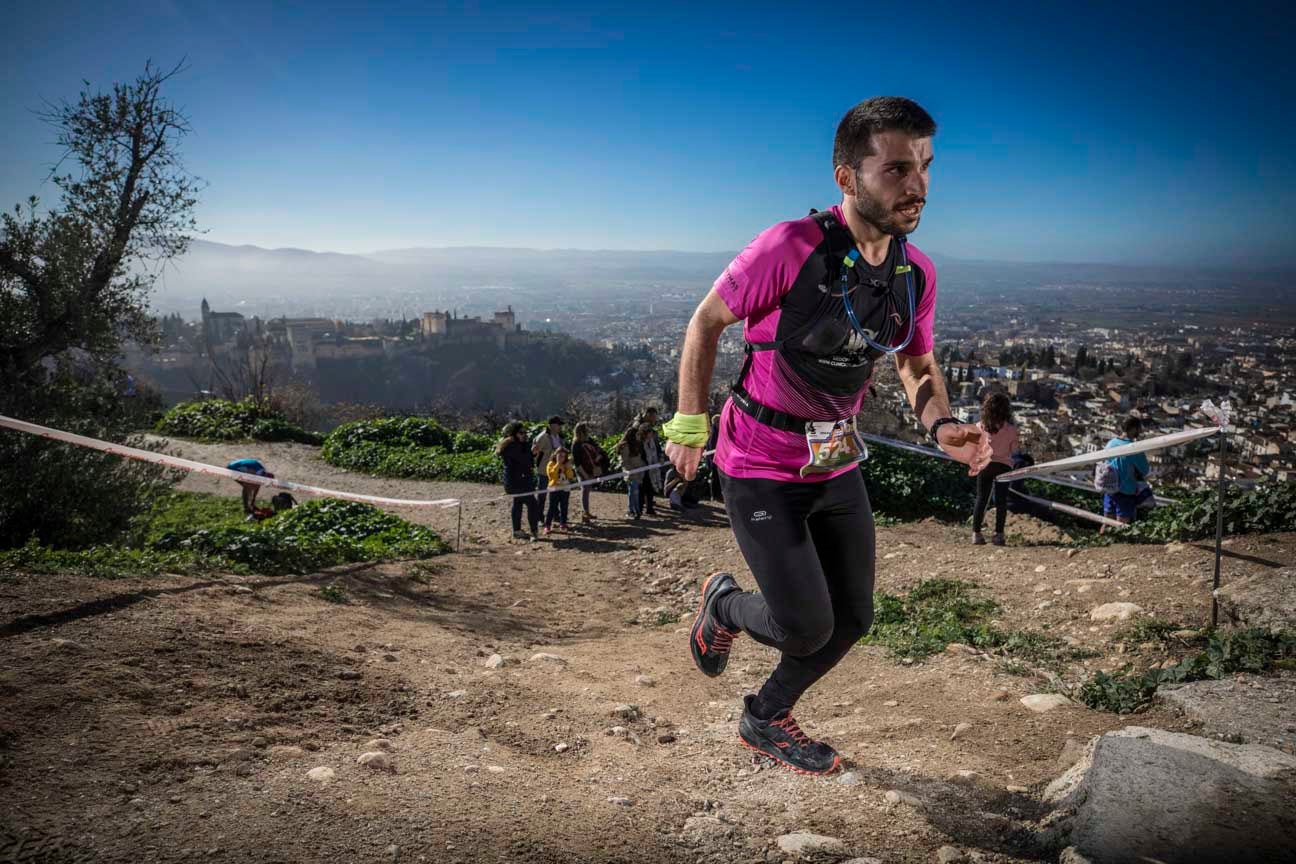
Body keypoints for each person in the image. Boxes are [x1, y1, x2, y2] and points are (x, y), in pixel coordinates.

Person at [662, 97, 990, 775]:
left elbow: (915, 363)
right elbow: (704, 323)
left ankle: (764, 716)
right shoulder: (790, 247)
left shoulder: (914, 272)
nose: (918, 184)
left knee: (854, 617)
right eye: (897, 168)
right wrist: (689, 427)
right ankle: (723, 604)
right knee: (806, 624)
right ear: (846, 176)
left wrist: (944, 425)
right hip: (758, 463)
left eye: (925, 166)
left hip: (835, 461)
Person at [972, 391, 1018, 546]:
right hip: (1003, 466)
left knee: (981, 498)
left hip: (985, 464)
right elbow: (1014, 450)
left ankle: (976, 534)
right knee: (1001, 501)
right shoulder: (1011, 430)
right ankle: (999, 535)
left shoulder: (980, 427)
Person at [1101, 416, 1152, 529]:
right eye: (1139, 428)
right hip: (1125, 491)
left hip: (1110, 489)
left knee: (1107, 523)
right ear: (1133, 429)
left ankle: (1100, 543)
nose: (1140, 431)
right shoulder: (1134, 448)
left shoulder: (1111, 443)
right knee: (1122, 526)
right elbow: (1145, 470)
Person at [497, 421, 540, 541]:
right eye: (521, 433)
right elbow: (524, 461)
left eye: (525, 432)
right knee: (532, 504)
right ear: (514, 434)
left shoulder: (522, 444)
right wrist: (532, 453)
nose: (524, 435)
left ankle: (517, 530)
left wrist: (532, 454)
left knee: (518, 502)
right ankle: (533, 531)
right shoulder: (510, 446)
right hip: (516, 482)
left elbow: (529, 462)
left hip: (522, 480)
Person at [532, 416, 565, 512]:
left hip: (556, 470)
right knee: (542, 495)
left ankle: (555, 515)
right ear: (552, 425)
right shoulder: (542, 437)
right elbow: (534, 452)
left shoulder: (560, 437)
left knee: (555, 494)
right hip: (544, 470)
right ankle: (539, 516)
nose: (560, 427)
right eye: (559, 425)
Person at [572, 422, 604, 523]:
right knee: (585, 490)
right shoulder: (576, 445)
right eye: (586, 430)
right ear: (581, 432)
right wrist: (585, 476)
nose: (588, 432)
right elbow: (577, 464)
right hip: (582, 470)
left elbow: (598, 449)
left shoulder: (589, 440)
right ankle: (585, 513)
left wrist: (598, 456)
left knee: (587, 490)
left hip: (591, 469)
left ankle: (586, 512)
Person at [544, 447, 576, 534]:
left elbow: (571, 477)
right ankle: (547, 525)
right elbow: (552, 475)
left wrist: (569, 468)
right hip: (554, 489)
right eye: (560, 455)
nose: (562, 457)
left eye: (564, 456)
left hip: (565, 489)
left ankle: (563, 523)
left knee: (564, 507)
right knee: (552, 507)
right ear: (555, 454)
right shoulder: (550, 464)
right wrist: (557, 464)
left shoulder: (566, 465)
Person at [617, 425, 646, 520]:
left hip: (638, 473)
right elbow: (624, 462)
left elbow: (639, 459)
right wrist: (631, 471)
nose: (639, 436)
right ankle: (634, 511)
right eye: (637, 434)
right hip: (631, 474)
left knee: (635, 492)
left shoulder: (638, 445)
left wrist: (641, 468)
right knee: (634, 492)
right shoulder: (625, 447)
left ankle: (634, 510)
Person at [639, 423, 663, 516]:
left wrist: (660, 458)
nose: (651, 435)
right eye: (649, 432)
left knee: (650, 489)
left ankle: (650, 508)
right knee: (642, 489)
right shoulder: (640, 443)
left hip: (653, 469)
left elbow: (659, 450)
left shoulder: (654, 441)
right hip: (643, 469)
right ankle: (640, 508)